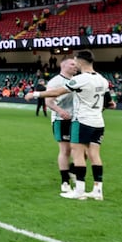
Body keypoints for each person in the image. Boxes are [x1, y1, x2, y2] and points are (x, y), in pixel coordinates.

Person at [25, 50, 113, 200]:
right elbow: (109, 102)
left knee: (78, 154)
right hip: (98, 122)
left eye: (75, 61)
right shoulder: (102, 79)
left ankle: (79, 190)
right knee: (94, 155)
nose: (75, 64)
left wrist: (35, 94)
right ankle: (98, 190)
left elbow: (57, 92)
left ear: (80, 61)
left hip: (82, 120)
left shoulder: (81, 79)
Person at [44, 58, 79, 193]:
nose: (75, 66)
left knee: (83, 149)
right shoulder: (55, 82)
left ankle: (72, 170)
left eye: (76, 65)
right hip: (61, 119)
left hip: (76, 119)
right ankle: (65, 181)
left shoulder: (78, 80)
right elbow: (49, 101)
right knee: (65, 150)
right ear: (63, 65)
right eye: (72, 64)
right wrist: (60, 111)